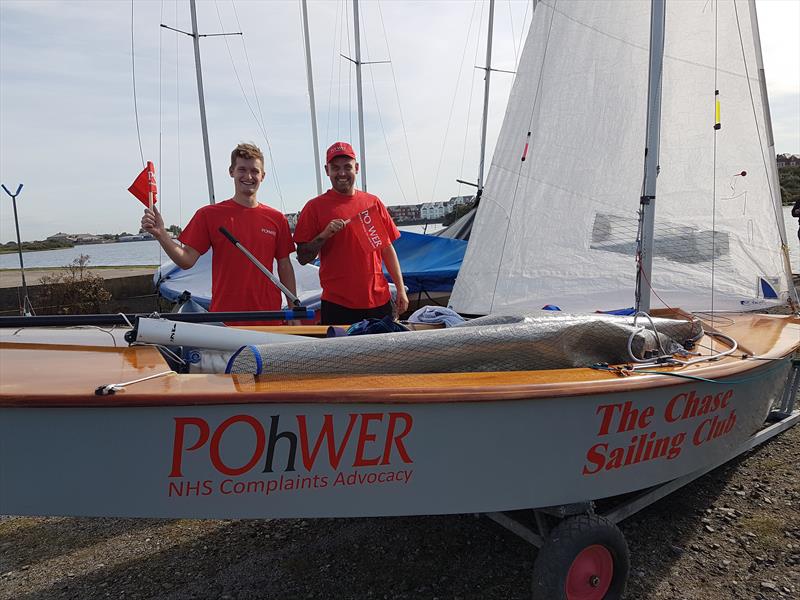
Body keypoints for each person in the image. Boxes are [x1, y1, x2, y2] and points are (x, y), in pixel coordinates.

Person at [141, 142, 296, 315]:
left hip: (269, 315)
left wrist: (293, 309)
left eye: (255, 171)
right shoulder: (209, 215)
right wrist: (162, 234)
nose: (249, 176)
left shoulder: (277, 219)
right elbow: (186, 260)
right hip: (226, 315)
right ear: (232, 172)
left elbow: (285, 266)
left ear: (263, 175)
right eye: (242, 170)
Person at [294, 141, 408, 325]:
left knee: (383, 354)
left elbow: (387, 250)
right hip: (337, 304)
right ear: (327, 170)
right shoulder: (314, 207)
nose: (341, 173)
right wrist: (324, 235)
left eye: (347, 167)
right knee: (342, 355)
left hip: (378, 301)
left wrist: (401, 290)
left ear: (356, 168)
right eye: (335, 168)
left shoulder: (373, 202)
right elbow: (302, 257)